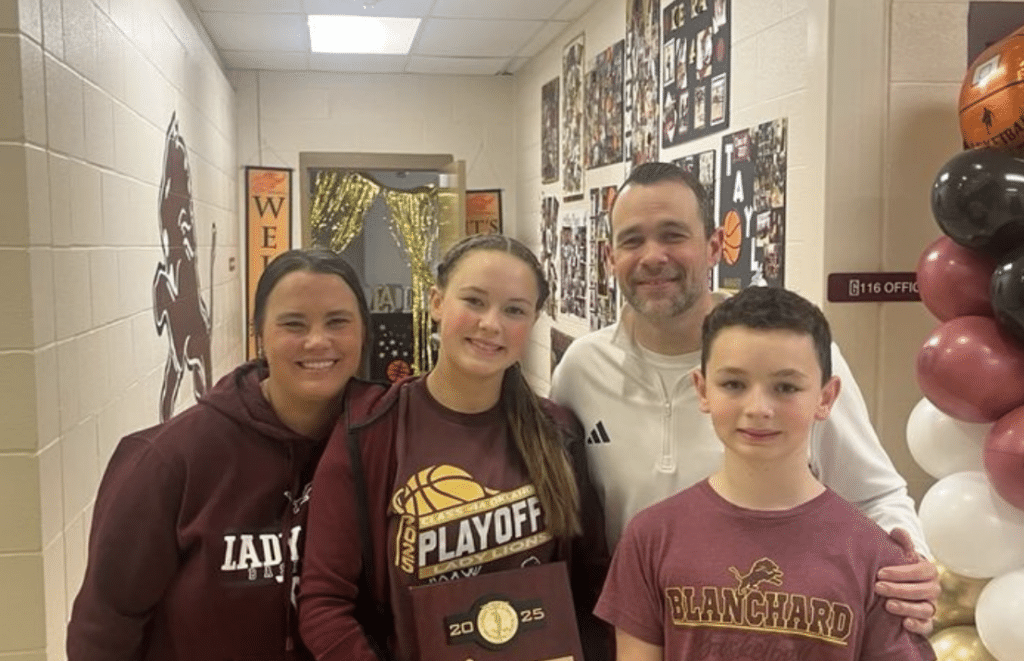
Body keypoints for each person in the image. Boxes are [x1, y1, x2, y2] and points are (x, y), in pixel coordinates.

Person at [549, 162, 940, 633]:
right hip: (640, 631)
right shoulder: (581, 369)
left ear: (714, 246)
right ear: (610, 257)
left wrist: (908, 561)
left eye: (673, 235)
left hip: (776, 629)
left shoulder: (795, 362)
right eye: (633, 240)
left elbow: (873, 493)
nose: (653, 256)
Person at [299, 234, 609, 661]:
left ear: (533, 321)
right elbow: (323, 605)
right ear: (437, 302)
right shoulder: (370, 432)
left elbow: (593, 587)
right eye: (474, 301)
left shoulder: (559, 433)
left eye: (514, 310)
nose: (491, 324)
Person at [67, 249, 383, 661]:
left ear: (364, 332)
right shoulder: (170, 460)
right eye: (293, 324)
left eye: (337, 322)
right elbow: (104, 627)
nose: (317, 341)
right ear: (260, 334)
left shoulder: (383, 445)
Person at [594, 286, 936, 660]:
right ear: (702, 390)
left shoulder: (875, 557)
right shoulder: (651, 538)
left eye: (786, 387)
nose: (758, 408)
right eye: (734, 384)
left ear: (825, 398)